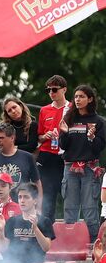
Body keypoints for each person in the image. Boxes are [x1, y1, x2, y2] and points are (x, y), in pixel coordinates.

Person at [59, 84, 105, 240]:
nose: (77, 99)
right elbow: (63, 146)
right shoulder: (68, 119)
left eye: (82, 96)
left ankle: (94, 244)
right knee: (70, 208)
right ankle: (69, 243)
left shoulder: (98, 121)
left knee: (90, 209)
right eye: (76, 96)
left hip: (90, 169)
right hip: (69, 168)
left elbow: (99, 148)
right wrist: (64, 133)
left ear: (90, 99)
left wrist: (92, 138)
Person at [0, 124, 41, 207]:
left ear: (12, 138)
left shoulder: (27, 157)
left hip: (21, 209)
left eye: (1, 138)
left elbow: (37, 183)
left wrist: (38, 207)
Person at [36, 75, 69, 219]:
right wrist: (45, 136)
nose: (51, 93)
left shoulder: (72, 108)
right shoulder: (44, 110)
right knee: (47, 196)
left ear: (64, 90)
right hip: (47, 155)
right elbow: (39, 137)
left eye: (54, 89)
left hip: (65, 155)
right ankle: (47, 231)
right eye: (48, 90)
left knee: (67, 193)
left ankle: (69, 230)